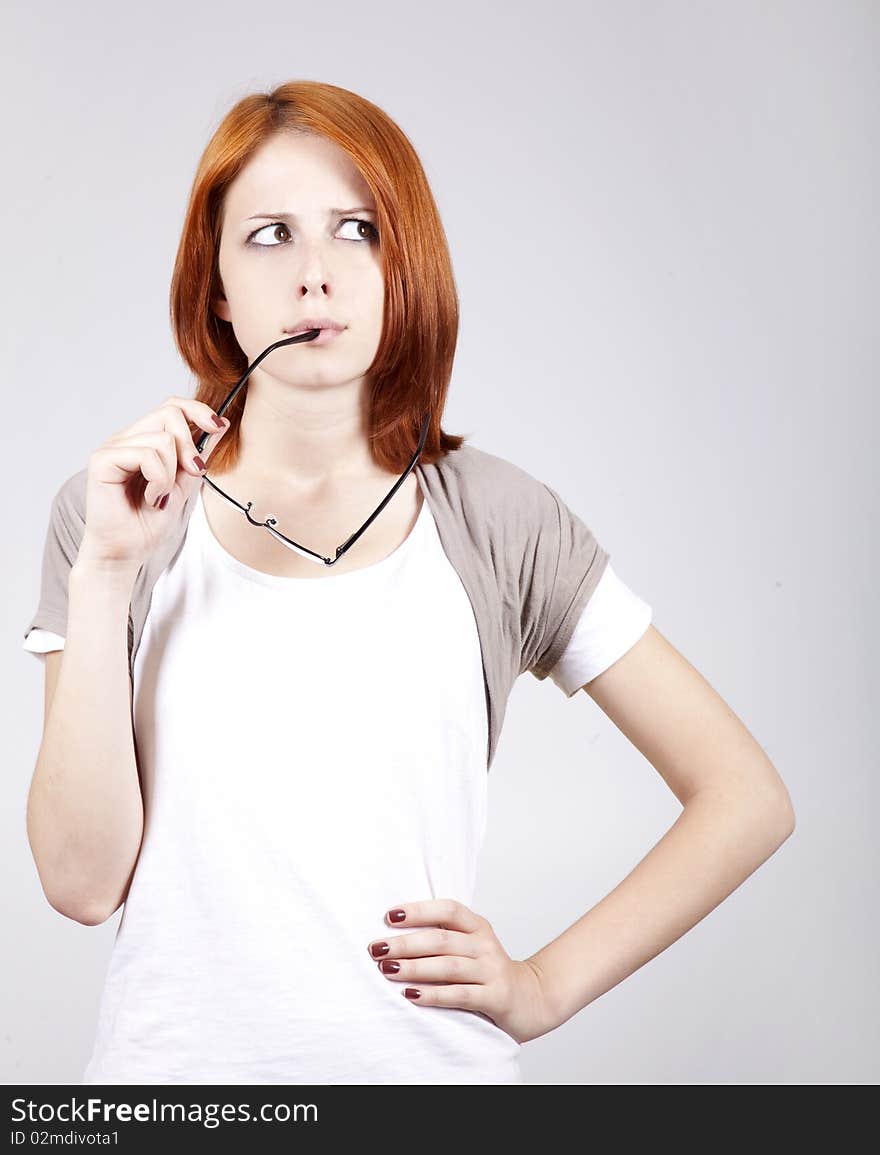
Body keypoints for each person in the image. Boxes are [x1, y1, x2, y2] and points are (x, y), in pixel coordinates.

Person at [23, 81, 794, 1086]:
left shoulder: (499, 521)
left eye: (356, 230)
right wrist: (108, 571)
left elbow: (745, 798)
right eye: (269, 236)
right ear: (214, 282)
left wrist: (544, 988)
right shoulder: (114, 513)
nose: (315, 277)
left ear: (403, 265)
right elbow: (82, 885)